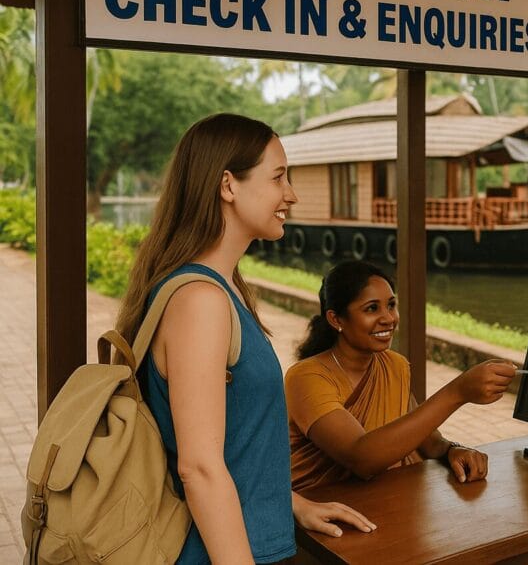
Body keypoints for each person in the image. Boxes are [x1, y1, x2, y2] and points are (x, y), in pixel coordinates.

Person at [117, 113, 375, 564]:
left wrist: (291, 505)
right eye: (278, 178)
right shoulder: (201, 300)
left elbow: (238, 443)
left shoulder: (223, 287)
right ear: (228, 185)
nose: (291, 194)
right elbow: (198, 467)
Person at [285, 260, 516, 492]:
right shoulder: (307, 378)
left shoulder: (393, 365)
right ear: (336, 319)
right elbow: (361, 458)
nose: (389, 318)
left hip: (386, 500)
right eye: (372, 308)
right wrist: (457, 392)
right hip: (318, 513)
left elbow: (423, 437)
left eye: (391, 305)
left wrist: (451, 450)